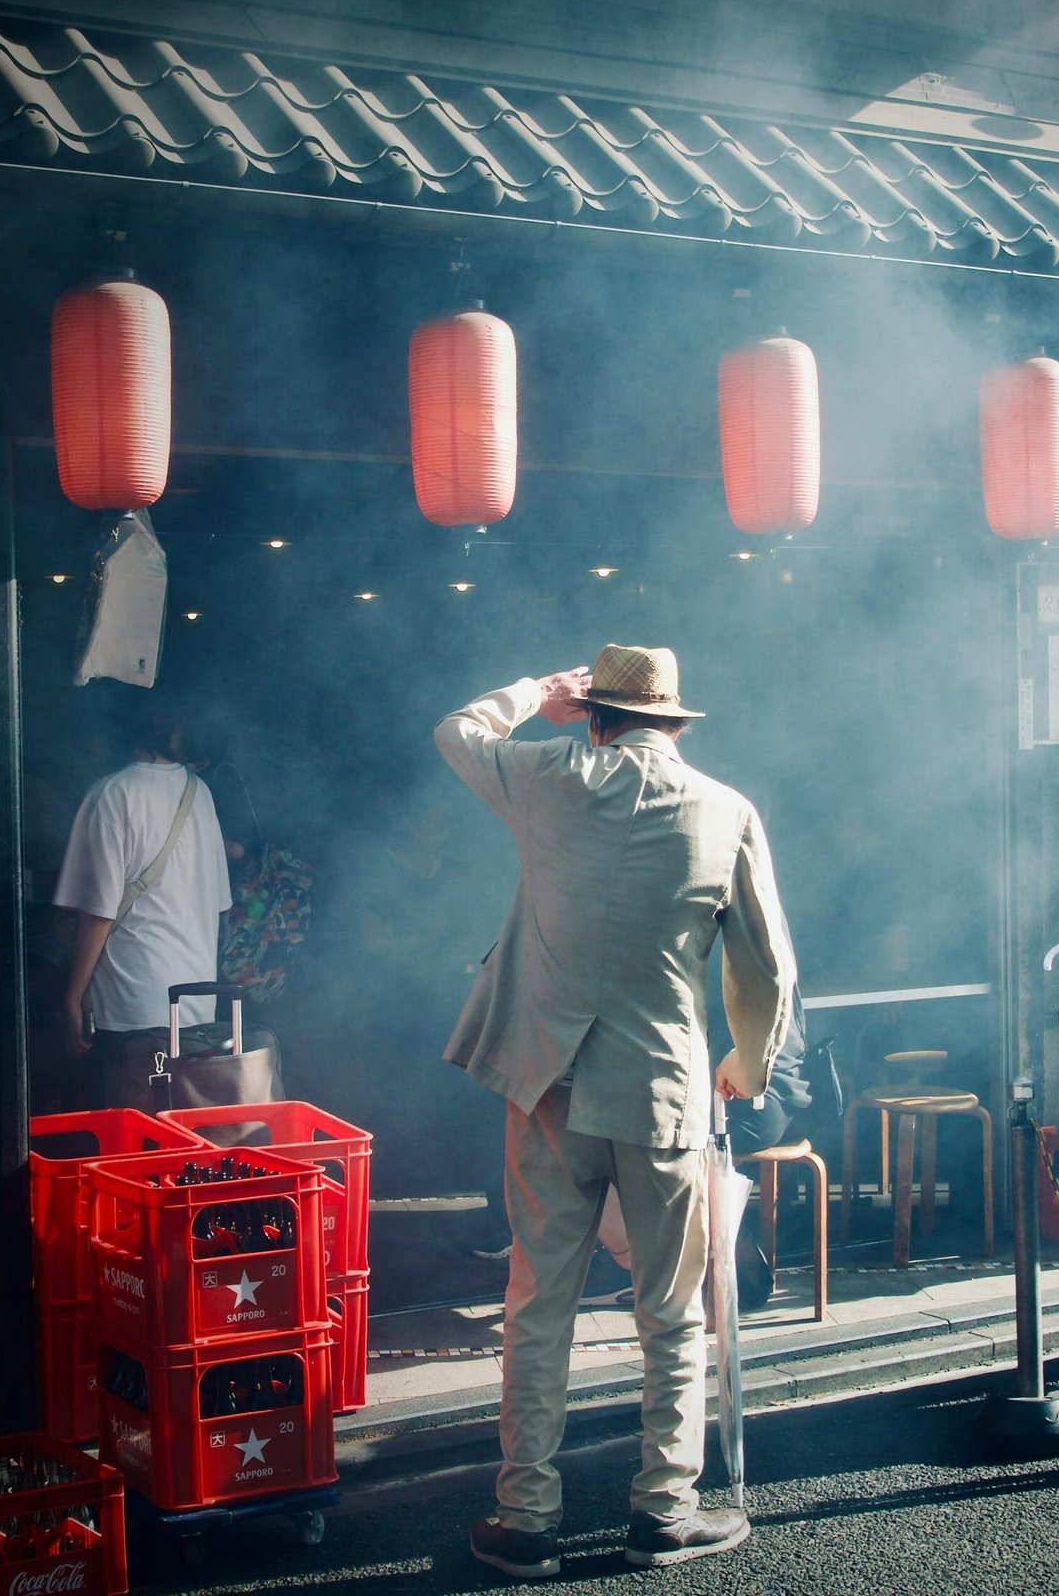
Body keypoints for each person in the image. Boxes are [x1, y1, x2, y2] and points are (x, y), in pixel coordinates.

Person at [434, 643, 793, 1580]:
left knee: (536, 1302)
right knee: (671, 1308)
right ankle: (665, 1509)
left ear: (593, 716)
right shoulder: (726, 810)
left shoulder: (548, 774)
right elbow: (769, 968)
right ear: (674, 726)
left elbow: (458, 730)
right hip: (663, 1089)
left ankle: (523, 1518)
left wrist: (534, 693)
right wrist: (745, 1066)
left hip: (547, 1082)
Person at [53, 690, 232, 1111]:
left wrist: (71, 995)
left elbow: (97, 912)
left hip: (131, 1009)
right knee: (179, 1144)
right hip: (193, 1004)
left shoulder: (112, 794)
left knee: (130, 1140)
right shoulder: (199, 792)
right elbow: (219, 904)